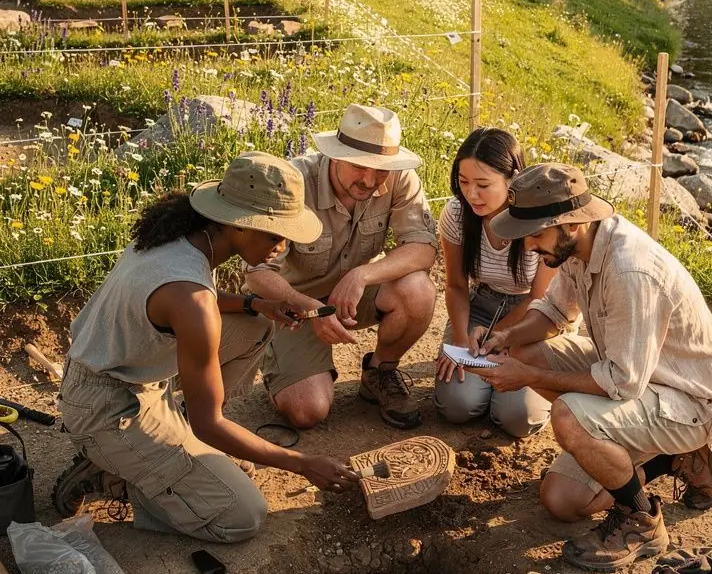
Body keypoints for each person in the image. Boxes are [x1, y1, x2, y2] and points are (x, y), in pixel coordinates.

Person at [52, 153, 358, 542]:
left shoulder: (183, 237)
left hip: (119, 373)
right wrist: (302, 464)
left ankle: (164, 454)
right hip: (108, 408)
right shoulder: (192, 302)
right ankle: (115, 476)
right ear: (240, 225)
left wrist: (256, 303)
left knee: (255, 325)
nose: (281, 247)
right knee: (242, 515)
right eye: (274, 233)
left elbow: (189, 301)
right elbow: (208, 422)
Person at [481, 163, 712, 571]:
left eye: (535, 234)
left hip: (689, 400)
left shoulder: (629, 269)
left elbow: (622, 380)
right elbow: (554, 312)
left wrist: (530, 379)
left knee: (567, 416)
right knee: (563, 502)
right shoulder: (574, 247)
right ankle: (667, 459)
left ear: (571, 224)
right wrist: (506, 338)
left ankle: (642, 520)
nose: (529, 246)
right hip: (639, 379)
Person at [245, 104, 437, 430]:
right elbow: (257, 273)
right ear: (335, 154)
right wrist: (308, 308)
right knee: (307, 410)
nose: (370, 180)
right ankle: (279, 359)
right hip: (292, 305)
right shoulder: (293, 183)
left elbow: (423, 249)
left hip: (352, 292)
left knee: (418, 289)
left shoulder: (401, 177)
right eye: (359, 167)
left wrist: (362, 274)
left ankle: (380, 372)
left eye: (381, 170)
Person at [433, 128, 555, 437]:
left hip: (534, 315)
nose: (471, 194)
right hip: (482, 305)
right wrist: (460, 339)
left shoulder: (539, 219)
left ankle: (509, 391)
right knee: (457, 406)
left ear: (512, 179)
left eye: (483, 185)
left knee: (518, 417)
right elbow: (457, 285)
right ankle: (484, 385)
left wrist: (499, 337)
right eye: (463, 182)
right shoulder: (458, 213)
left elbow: (540, 298)